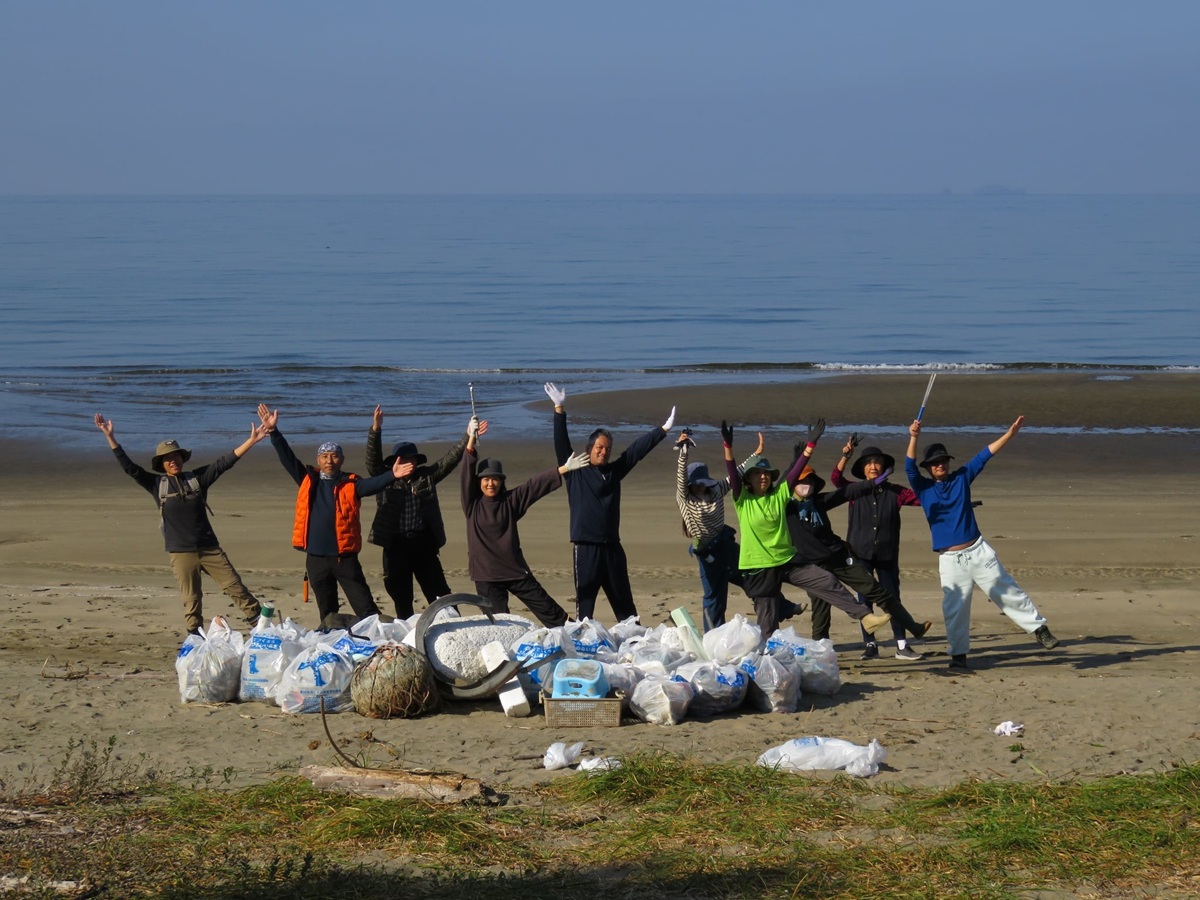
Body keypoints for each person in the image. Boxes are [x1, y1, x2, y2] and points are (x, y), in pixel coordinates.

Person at [905, 416, 1059, 670]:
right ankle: (958, 656)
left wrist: (1009, 434)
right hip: (950, 559)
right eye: (934, 463)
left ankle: (1040, 630)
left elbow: (984, 455)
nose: (939, 465)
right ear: (928, 468)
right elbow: (908, 465)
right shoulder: (923, 488)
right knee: (954, 609)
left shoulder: (961, 478)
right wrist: (913, 436)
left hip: (978, 551)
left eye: (942, 461)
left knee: (1006, 590)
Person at [94, 413, 268, 636]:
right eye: (168, 459)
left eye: (176, 456)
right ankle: (195, 641)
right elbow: (130, 468)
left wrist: (252, 441)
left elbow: (224, 463)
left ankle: (263, 630)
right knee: (191, 601)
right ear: (162, 464)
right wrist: (110, 437)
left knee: (238, 590)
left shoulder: (197, 479)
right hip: (180, 553)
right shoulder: (157, 484)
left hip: (210, 549)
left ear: (182, 459)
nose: (173, 461)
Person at [724, 418, 891, 639]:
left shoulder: (779, 495)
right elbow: (732, 475)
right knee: (768, 622)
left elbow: (796, 472)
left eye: (766, 473)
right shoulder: (742, 499)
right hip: (759, 566)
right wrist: (728, 447)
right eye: (757, 473)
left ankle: (865, 616)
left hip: (786, 559)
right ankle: (765, 665)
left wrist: (811, 446)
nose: (763, 476)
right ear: (749, 479)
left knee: (826, 580)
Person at [257, 404, 412, 628]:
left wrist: (392, 475)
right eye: (325, 456)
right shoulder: (308, 480)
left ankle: (380, 639)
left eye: (334, 456)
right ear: (318, 460)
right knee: (327, 613)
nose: (329, 460)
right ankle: (332, 644)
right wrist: (274, 432)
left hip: (344, 559)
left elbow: (371, 485)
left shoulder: (351, 483)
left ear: (341, 459)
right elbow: (287, 458)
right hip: (316, 559)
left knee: (366, 609)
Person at [544, 381, 674, 622]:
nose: (604, 451)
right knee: (585, 607)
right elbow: (561, 443)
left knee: (625, 606)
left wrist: (662, 430)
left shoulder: (614, 472)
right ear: (590, 448)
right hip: (585, 548)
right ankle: (583, 645)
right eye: (599, 447)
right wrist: (559, 409)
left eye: (608, 448)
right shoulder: (576, 470)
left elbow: (635, 452)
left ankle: (636, 642)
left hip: (613, 548)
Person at [786, 448, 932, 660]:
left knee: (878, 591)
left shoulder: (820, 502)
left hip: (840, 557)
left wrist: (874, 483)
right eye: (801, 481)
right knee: (820, 610)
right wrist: (798, 460)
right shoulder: (785, 507)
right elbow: (785, 485)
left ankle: (913, 627)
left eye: (809, 481)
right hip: (813, 566)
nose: (806, 485)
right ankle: (821, 654)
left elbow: (848, 492)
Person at [461, 418, 589, 626]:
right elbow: (466, 473)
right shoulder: (471, 504)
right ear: (479, 483)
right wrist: (471, 439)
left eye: (495, 479)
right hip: (486, 575)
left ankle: (575, 632)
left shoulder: (511, 501)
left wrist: (564, 469)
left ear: (502, 481)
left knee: (548, 609)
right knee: (498, 623)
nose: (490, 483)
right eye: (485, 479)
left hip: (514, 570)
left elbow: (534, 486)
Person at [366, 405, 471, 619]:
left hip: (423, 544)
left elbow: (448, 461)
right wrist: (375, 429)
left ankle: (455, 624)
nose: (408, 463)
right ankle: (407, 633)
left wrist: (468, 435)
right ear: (395, 462)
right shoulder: (385, 480)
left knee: (439, 593)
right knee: (401, 595)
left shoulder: (425, 477)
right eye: (403, 460)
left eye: (412, 459)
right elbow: (372, 461)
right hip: (395, 546)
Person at [831, 436, 923, 658]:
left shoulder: (897, 492)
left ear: (884, 466)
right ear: (863, 469)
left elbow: (923, 499)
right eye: (868, 463)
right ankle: (870, 645)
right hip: (859, 552)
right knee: (865, 598)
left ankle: (901, 644)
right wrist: (846, 455)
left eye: (877, 462)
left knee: (892, 597)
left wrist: (954, 500)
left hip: (887, 554)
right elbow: (836, 479)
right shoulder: (854, 491)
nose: (873, 466)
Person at [674, 428, 763, 631]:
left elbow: (736, 473)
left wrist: (756, 454)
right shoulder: (684, 497)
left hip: (724, 542)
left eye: (701, 484)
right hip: (705, 550)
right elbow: (680, 476)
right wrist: (684, 450)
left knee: (754, 575)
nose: (698, 488)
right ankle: (713, 636)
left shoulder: (716, 489)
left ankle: (783, 607)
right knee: (715, 596)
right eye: (694, 485)